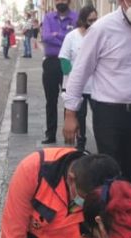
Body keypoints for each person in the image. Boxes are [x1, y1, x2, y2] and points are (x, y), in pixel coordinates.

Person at [63, 0, 131, 184]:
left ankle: (125, 209)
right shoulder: (101, 29)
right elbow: (80, 72)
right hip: (109, 115)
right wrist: (70, 114)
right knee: (111, 174)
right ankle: (111, 210)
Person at [57, 6, 97, 151]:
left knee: (99, 117)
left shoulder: (97, 36)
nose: (92, 23)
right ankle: (80, 145)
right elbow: (64, 60)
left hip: (95, 87)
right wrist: (78, 75)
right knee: (79, 116)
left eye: (95, 20)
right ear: (82, 19)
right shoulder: (72, 37)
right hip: (76, 87)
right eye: (90, 20)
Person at [40, 1, 77, 144]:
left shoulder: (75, 17)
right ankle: (50, 134)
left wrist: (56, 35)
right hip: (51, 62)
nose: (60, 1)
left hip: (67, 62)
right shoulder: (48, 17)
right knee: (51, 100)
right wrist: (65, 37)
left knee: (70, 99)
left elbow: (75, 39)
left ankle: (69, 134)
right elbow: (46, 37)